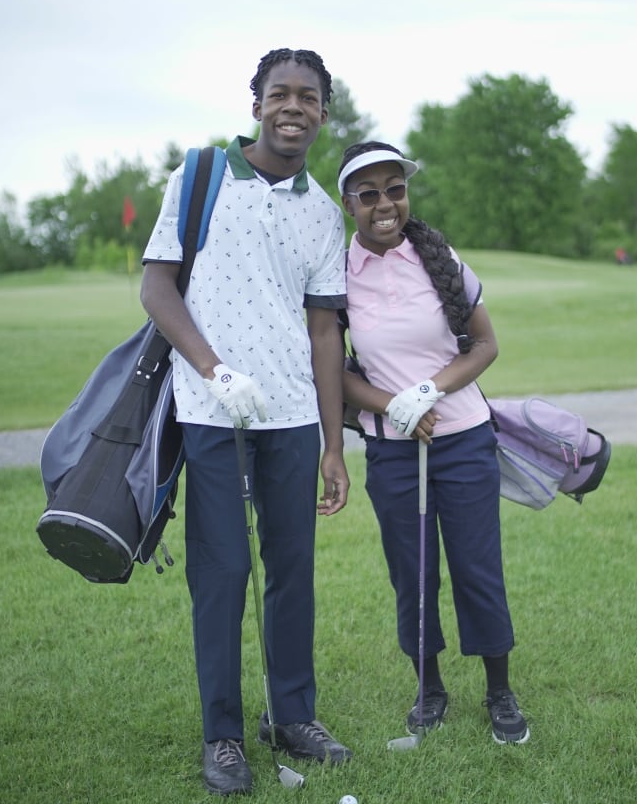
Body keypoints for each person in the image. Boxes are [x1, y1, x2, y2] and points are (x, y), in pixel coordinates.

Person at [140, 48, 352, 797]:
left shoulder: (326, 213)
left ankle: (293, 717)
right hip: (211, 409)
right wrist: (212, 368)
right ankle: (223, 736)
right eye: (280, 93)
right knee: (225, 572)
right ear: (257, 101)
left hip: (292, 417)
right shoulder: (199, 177)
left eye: (309, 97)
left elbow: (326, 333)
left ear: (325, 111)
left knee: (292, 571)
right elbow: (157, 284)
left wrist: (333, 442)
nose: (293, 107)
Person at [337, 141, 530, 745]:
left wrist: (428, 389)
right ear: (349, 205)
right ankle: (429, 687)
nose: (385, 203)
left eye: (395, 188)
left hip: (465, 438)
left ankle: (499, 689)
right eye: (369, 194)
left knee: (477, 568)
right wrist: (392, 404)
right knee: (412, 574)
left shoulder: (438, 257)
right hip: (391, 449)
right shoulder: (336, 273)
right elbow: (329, 365)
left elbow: (485, 346)